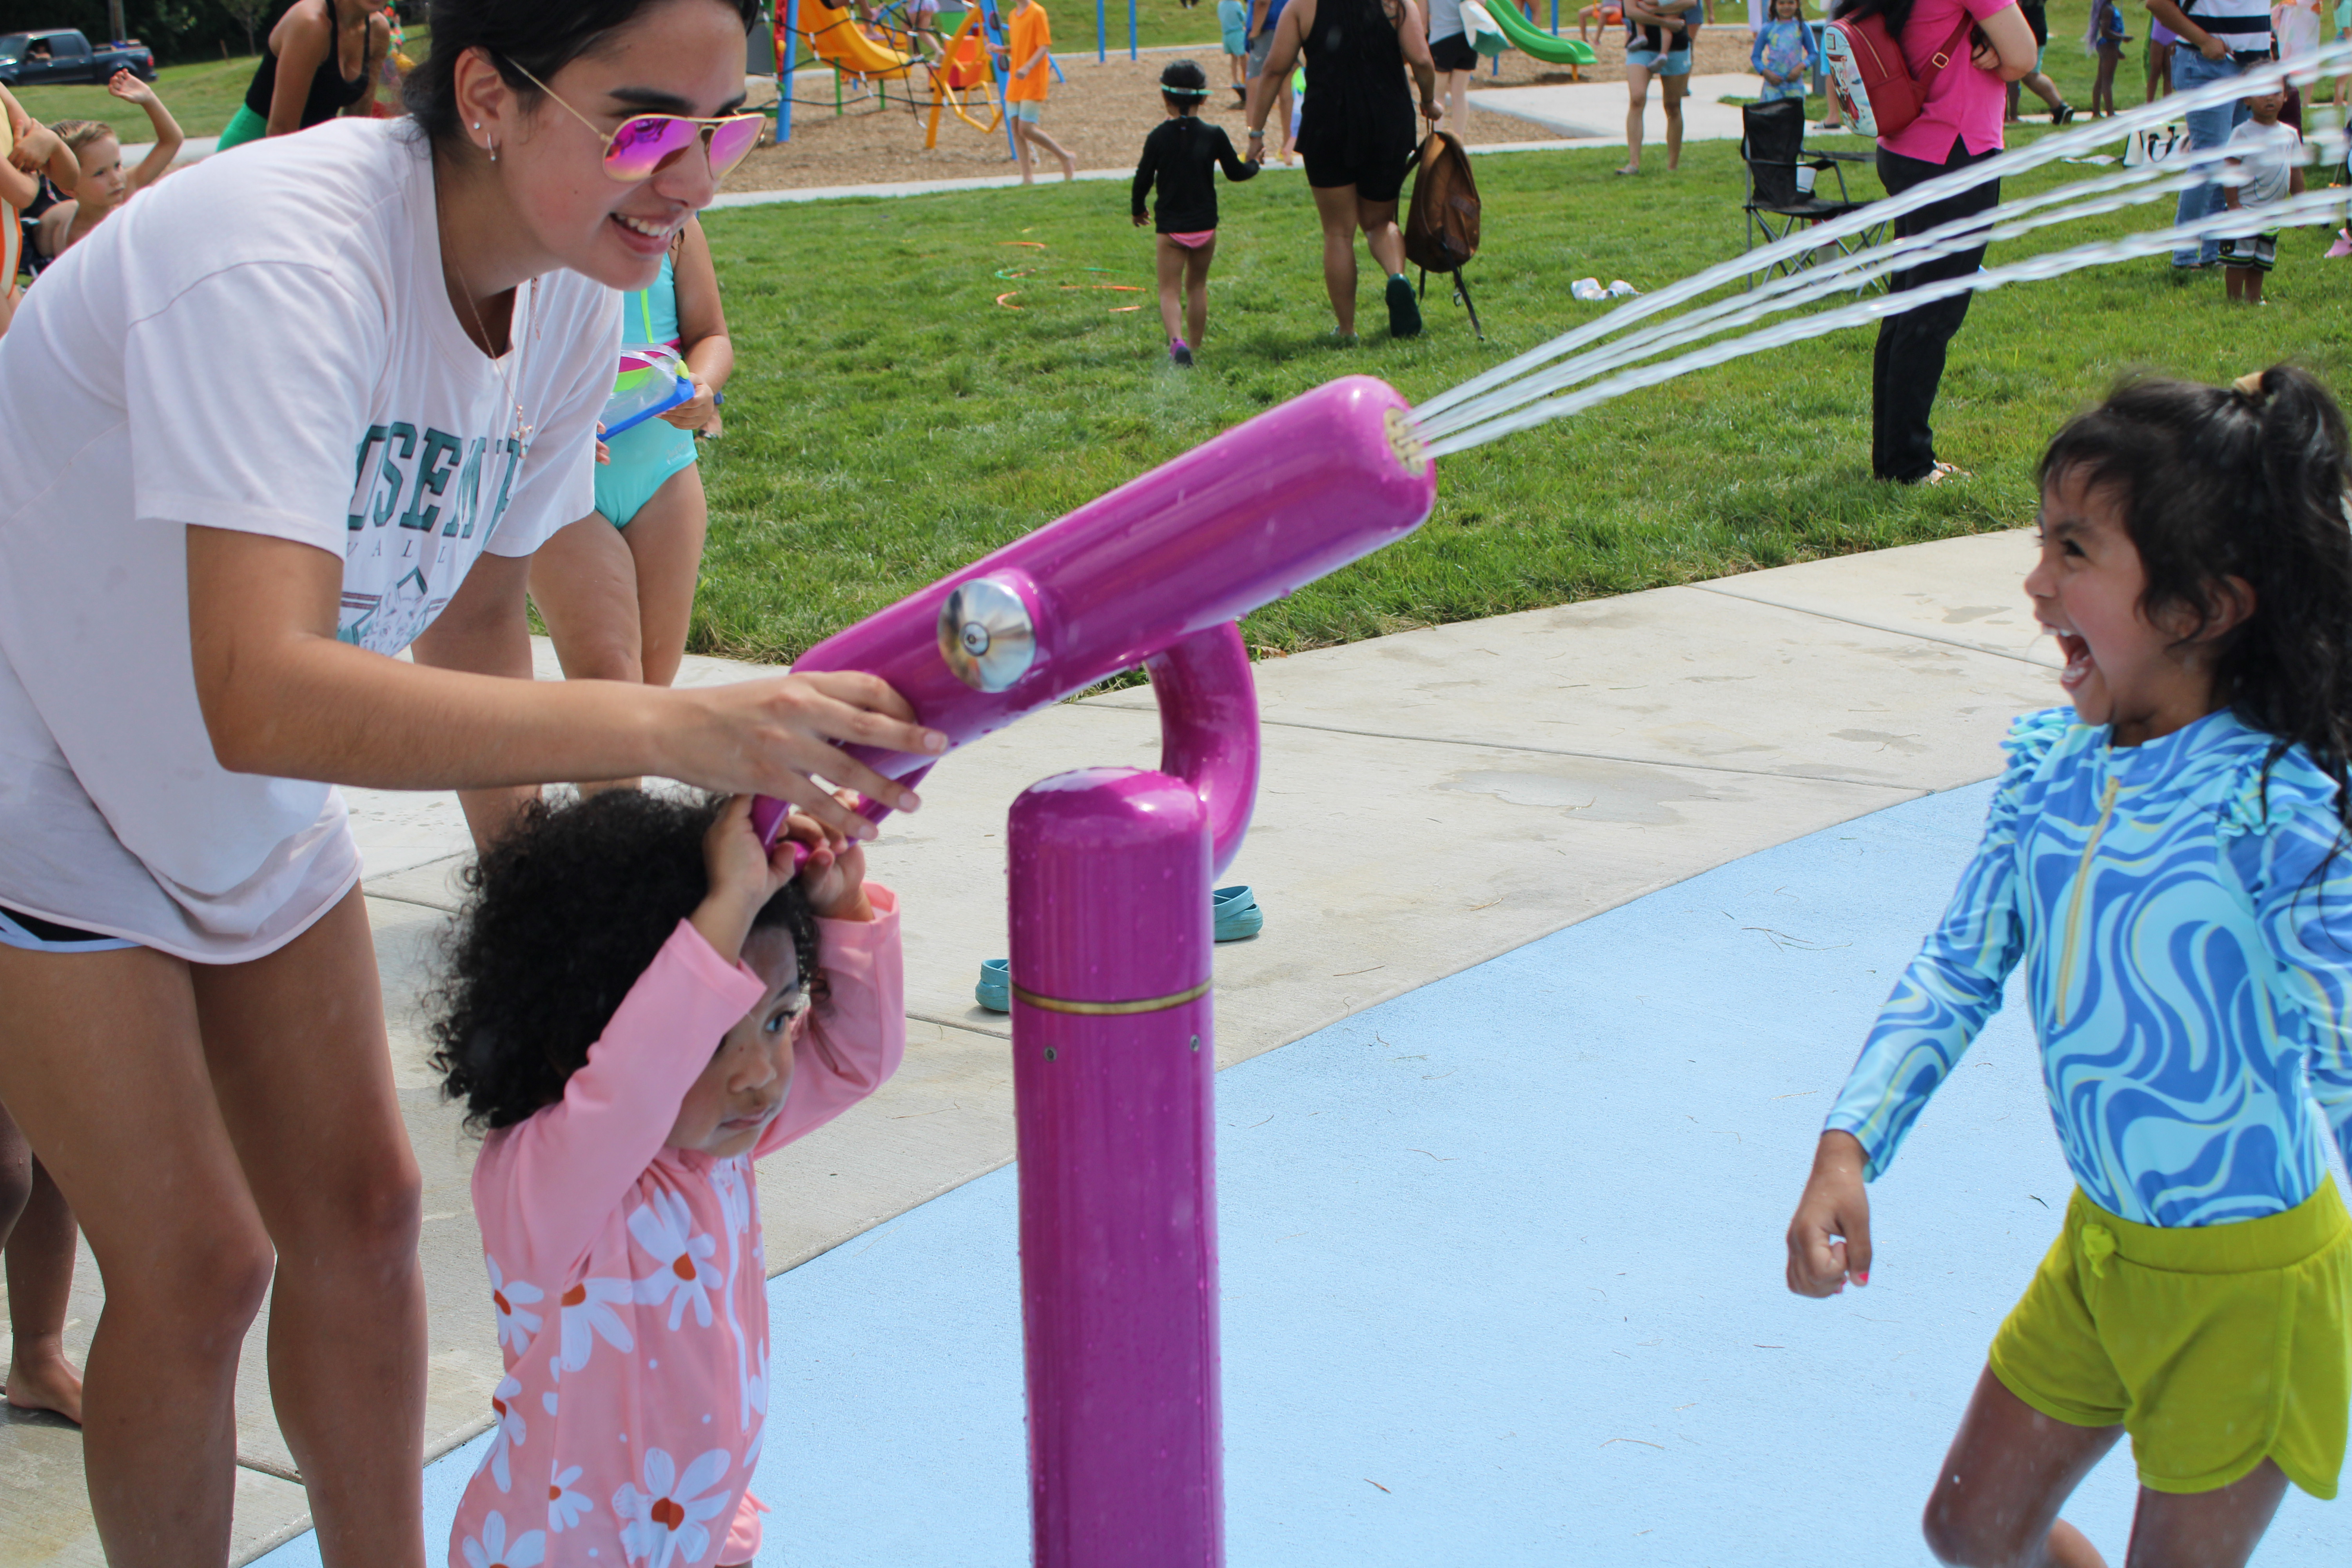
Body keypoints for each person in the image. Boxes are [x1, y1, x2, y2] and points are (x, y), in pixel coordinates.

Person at [0, 0, 947, 1558]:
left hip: (232, 782)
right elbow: (263, 689)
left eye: (728, 129)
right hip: (42, 763)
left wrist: (606, 965)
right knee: (197, 1261)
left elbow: (475, 621)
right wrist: (676, 729)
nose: (695, 180)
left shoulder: (571, 291)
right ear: (494, 98)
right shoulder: (281, 256)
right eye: (650, 124)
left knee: (367, 1220)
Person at [1786, 364, 2352, 1568]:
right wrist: (1848, 1143)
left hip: (2249, 1287)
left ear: (2199, 608)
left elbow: (2346, 1051)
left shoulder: (2275, 813)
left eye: (2072, 550)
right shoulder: (2056, 771)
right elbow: (1956, 964)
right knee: (1971, 1528)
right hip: (2103, 1251)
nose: (2034, 580)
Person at [435, 789, 903, 1568]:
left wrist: (844, 903)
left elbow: (858, 1056)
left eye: (780, 1017)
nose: (759, 1074)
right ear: (571, 1041)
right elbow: (634, 1081)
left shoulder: (709, 1142)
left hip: (701, 1528)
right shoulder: (548, 1181)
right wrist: (728, 902)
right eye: (714, 1037)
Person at [527, 213, 732, 774]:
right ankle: (617, 852)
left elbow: (710, 334)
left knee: (648, 690)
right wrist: (551, 419)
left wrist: (703, 386)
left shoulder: (674, 226)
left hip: (665, 475)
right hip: (565, 482)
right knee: (610, 679)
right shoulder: (533, 219)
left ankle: (612, 835)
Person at [1835, 0, 2034, 485]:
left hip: (1904, 146)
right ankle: (1908, 465)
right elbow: (2024, 57)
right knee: (1931, 316)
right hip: (1955, 151)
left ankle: (1893, 457)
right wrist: (1994, 49)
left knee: (1908, 305)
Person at [1247, 0, 1445, 340]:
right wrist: (1428, 101)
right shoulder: (1396, 4)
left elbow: (1274, 70)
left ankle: (1347, 329)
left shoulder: (1302, 7)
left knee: (1338, 233)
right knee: (1380, 222)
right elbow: (1423, 60)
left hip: (1328, 124)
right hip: (1387, 121)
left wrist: (1256, 133)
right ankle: (1397, 278)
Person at [1131, 58, 1259, 365]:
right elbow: (1237, 172)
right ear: (1204, 98)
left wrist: (1138, 210)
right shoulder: (1214, 134)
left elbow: (1143, 179)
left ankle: (1178, 343)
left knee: (1169, 291)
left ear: (1165, 97)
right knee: (1197, 287)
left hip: (1171, 230)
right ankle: (1197, 348)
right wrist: (1255, 163)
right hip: (1205, 227)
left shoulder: (1158, 137)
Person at [2146, 0, 2274, 270]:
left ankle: (2213, 253)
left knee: (2230, 162)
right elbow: (2157, 4)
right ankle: (2184, 256)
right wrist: (2204, 41)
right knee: (2210, 162)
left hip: (2250, 69)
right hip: (2208, 65)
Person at [30, 76, 184, 270]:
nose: (116, 179)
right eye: (100, 173)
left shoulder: (126, 188)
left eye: (118, 165)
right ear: (69, 188)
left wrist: (149, 99)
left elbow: (172, 141)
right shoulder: (72, 233)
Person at [215, 0, 390, 151]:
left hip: (307, 149)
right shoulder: (311, 23)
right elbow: (281, 131)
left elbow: (357, 126)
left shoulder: (378, 31)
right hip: (252, 149)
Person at [2218, 85, 2302, 303]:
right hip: (2244, 209)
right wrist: (2233, 203)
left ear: (2286, 95)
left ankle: (2254, 298)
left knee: (2261, 260)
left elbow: (2296, 172)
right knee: (2238, 259)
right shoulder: (2243, 133)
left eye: (2275, 92)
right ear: (2247, 99)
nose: (2269, 98)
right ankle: (2234, 300)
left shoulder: (2290, 135)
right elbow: (2230, 168)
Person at [993, 0, 1076, 182]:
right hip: (1017, 79)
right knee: (1015, 129)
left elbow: (1044, 45)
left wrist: (1028, 67)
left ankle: (1065, 156)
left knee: (1026, 129)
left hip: (1033, 78)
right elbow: (1021, 47)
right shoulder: (1013, 16)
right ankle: (1027, 178)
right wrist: (1003, 50)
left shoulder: (1038, 12)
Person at [1616, 0, 1698, 174]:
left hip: (1676, 46)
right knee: (1637, 98)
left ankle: (1672, 166)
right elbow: (1631, 12)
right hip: (1642, 46)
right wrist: (1665, 21)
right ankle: (1633, 164)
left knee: (1673, 105)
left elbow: (1690, 3)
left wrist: (1652, 9)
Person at [2003, 0, 2077, 120]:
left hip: (2024, 30)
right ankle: (2060, 107)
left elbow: (2015, 7)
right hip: (2040, 27)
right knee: (2034, 75)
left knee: (2012, 73)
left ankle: (2008, 116)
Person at [1245, 0, 1299, 162]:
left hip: (1267, 29)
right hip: (1289, 24)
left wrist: (1254, 32)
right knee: (1287, 91)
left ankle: (1255, 150)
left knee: (1254, 91)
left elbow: (1263, 2)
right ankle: (1288, 148)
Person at [1427, 0, 1481, 143]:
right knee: (1460, 94)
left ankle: (1437, 141)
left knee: (1438, 95)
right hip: (1467, 40)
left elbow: (1422, 22)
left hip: (1441, 40)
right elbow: (1483, 3)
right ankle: (1459, 141)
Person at [1753, 0, 1822, 102]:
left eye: (1791, 3)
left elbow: (1813, 53)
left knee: (1794, 117)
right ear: (1775, 6)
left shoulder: (1802, 27)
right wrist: (1766, 72)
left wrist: (1800, 67)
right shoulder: (1768, 29)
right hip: (1772, 87)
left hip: (1795, 87)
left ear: (1797, 5)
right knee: (1773, 117)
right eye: (1782, 3)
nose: (1786, 6)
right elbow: (1755, 57)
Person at [2089, 0, 2130, 115]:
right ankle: (2110, 113)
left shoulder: (2109, 8)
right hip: (2109, 45)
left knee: (2101, 80)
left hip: (2109, 46)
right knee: (2107, 81)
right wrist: (2123, 38)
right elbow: (2106, 32)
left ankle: (2096, 112)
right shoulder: (2108, 10)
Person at [1221, 0, 1253, 102]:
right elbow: (1243, 18)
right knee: (1243, 56)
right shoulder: (1237, 5)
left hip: (1226, 35)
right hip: (1237, 33)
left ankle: (1235, 80)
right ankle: (1245, 79)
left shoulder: (1221, 4)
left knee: (1234, 58)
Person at [2146, 13, 2177, 97]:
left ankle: (2167, 105)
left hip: (2172, 34)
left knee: (2169, 73)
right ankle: (2149, 105)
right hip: (2158, 35)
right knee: (2155, 71)